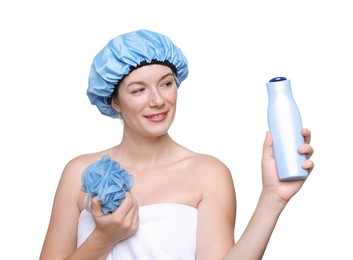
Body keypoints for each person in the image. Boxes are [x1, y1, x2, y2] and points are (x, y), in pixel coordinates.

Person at [40, 29, 314, 260]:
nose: (158, 100)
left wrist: (272, 199)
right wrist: (103, 238)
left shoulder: (208, 173)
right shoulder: (78, 171)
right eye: (138, 90)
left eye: (166, 84)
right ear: (114, 101)